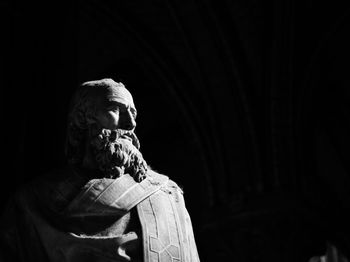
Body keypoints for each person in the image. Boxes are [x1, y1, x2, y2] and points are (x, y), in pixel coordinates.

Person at [0, 78, 200, 262]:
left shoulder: (165, 196)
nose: (130, 124)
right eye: (115, 109)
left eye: (133, 113)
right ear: (81, 119)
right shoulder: (30, 205)